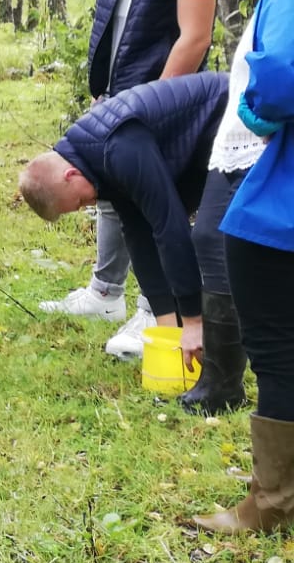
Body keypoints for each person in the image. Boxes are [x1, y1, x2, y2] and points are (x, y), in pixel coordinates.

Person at [41, 0, 224, 361]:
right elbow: (111, 25)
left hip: (163, 103)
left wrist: (150, 106)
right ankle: (106, 292)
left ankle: (154, 306)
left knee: (158, 204)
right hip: (117, 95)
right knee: (113, 193)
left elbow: (193, 38)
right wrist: (104, 92)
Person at [193, 0, 294, 534]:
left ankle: (272, 504)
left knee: (279, 351)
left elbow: (281, 80)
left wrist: (256, 110)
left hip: (277, 208)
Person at [17, 71, 229, 373]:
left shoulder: (117, 148)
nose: (86, 206)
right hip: (197, 145)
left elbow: (169, 226)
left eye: (78, 202)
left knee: (210, 237)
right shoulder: (94, 161)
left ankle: (229, 350)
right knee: (159, 234)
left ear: (70, 175)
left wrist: (192, 320)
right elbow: (140, 238)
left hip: (229, 117)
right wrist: (168, 328)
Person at [181, 4, 262, 414]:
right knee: (214, 235)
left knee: (216, 237)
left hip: (259, 134)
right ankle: (221, 379)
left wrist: (255, 114)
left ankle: (224, 380)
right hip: (237, 134)